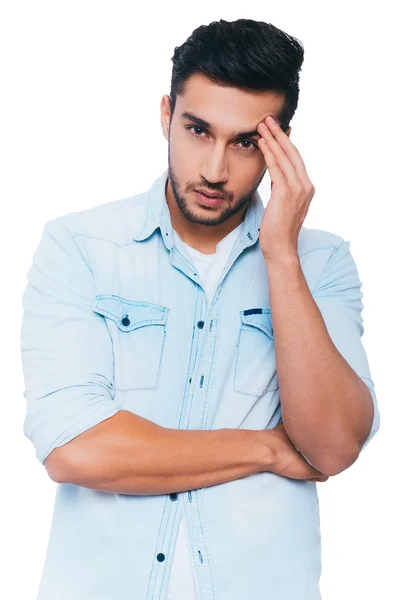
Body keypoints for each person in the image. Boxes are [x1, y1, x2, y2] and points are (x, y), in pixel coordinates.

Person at [20, 18, 380, 600]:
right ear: (166, 115)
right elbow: (75, 448)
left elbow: (334, 444)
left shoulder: (321, 263)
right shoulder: (81, 248)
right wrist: (266, 447)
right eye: (197, 130)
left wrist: (281, 258)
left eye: (245, 142)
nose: (215, 171)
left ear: (281, 144)